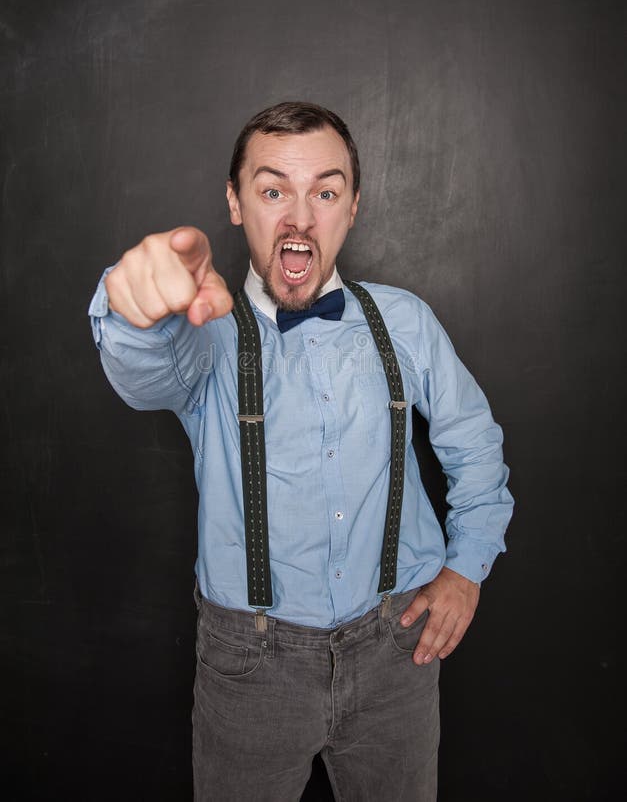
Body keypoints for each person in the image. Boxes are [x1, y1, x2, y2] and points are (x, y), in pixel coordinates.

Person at [88, 101, 514, 802]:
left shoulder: (405, 321)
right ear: (234, 203)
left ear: (352, 206)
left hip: (395, 652)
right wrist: (134, 307)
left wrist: (466, 568)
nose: (300, 217)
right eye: (272, 189)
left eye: (324, 190)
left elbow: (474, 449)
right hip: (249, 665)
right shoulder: (204, 336)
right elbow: (142, 373)